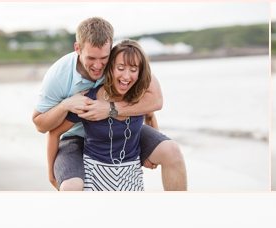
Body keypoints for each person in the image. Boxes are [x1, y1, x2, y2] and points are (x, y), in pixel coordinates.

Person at [33, 18, 188, 192]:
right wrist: (65, 105)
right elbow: (41, 126)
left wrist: (111, 110)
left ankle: (178, 210)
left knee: (172, 152)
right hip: (76, 134)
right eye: (91, 58)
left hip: (120, 126)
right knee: (72, 186)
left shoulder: (122, 63)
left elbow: (155, 102)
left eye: (104, 58)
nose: (98, 65)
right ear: (77, 48)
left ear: (111, 49)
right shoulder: (58, 75)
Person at [47, 40, 153, 191]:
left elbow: (150, 116)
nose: (126, 76)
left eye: (133, 69)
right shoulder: (90, 100)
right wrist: (51, 174)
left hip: (131, 176)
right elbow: (54, 132)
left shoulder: (140, 98)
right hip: (94, 175)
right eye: (121, 68)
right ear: (111, 68)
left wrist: (148, 151)